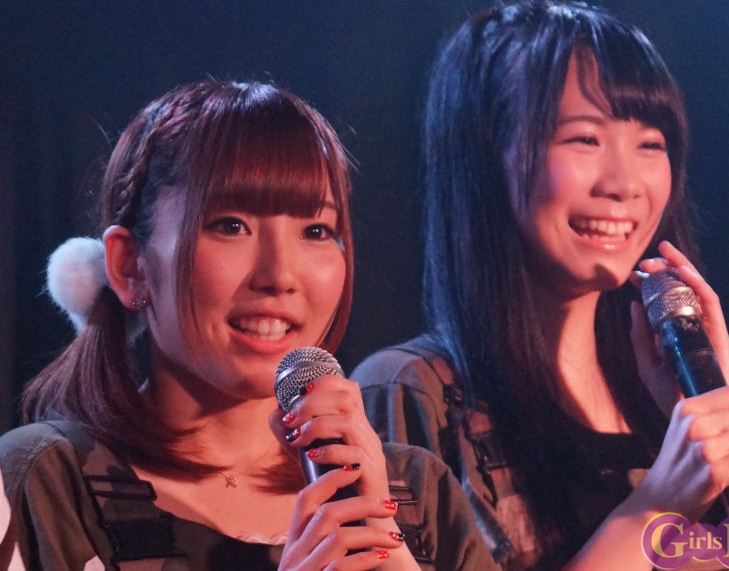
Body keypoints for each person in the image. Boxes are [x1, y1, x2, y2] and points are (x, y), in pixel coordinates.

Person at [350, 0, 729, 571]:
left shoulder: (689, 396)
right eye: (585, 139)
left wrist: (724, 411)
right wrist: (659, 504)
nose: (624, 183)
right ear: (487, 155)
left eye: (650, 144)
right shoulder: (414, 398)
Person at [0, 80, 499, 571]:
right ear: (131, 266)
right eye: (231, 225)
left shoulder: (417, 493)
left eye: (316, 230)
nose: (280, 275)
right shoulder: (43, 484)